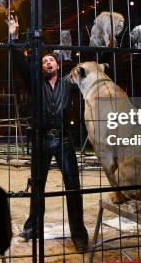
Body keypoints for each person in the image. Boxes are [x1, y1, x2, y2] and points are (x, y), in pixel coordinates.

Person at [7, 14, 89, 252]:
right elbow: (20, 63)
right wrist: (13, 36)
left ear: (58, 64)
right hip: (41, 140)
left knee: (73, 187)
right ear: (41, 67)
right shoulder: (35, 82)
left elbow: (85, 65)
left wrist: (106, 44)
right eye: (44, 61)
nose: (48, 63)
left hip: (64, 140)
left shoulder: (68, 82)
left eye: (51, 60)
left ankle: (79, 235)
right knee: (38, 187)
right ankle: (33, 228)